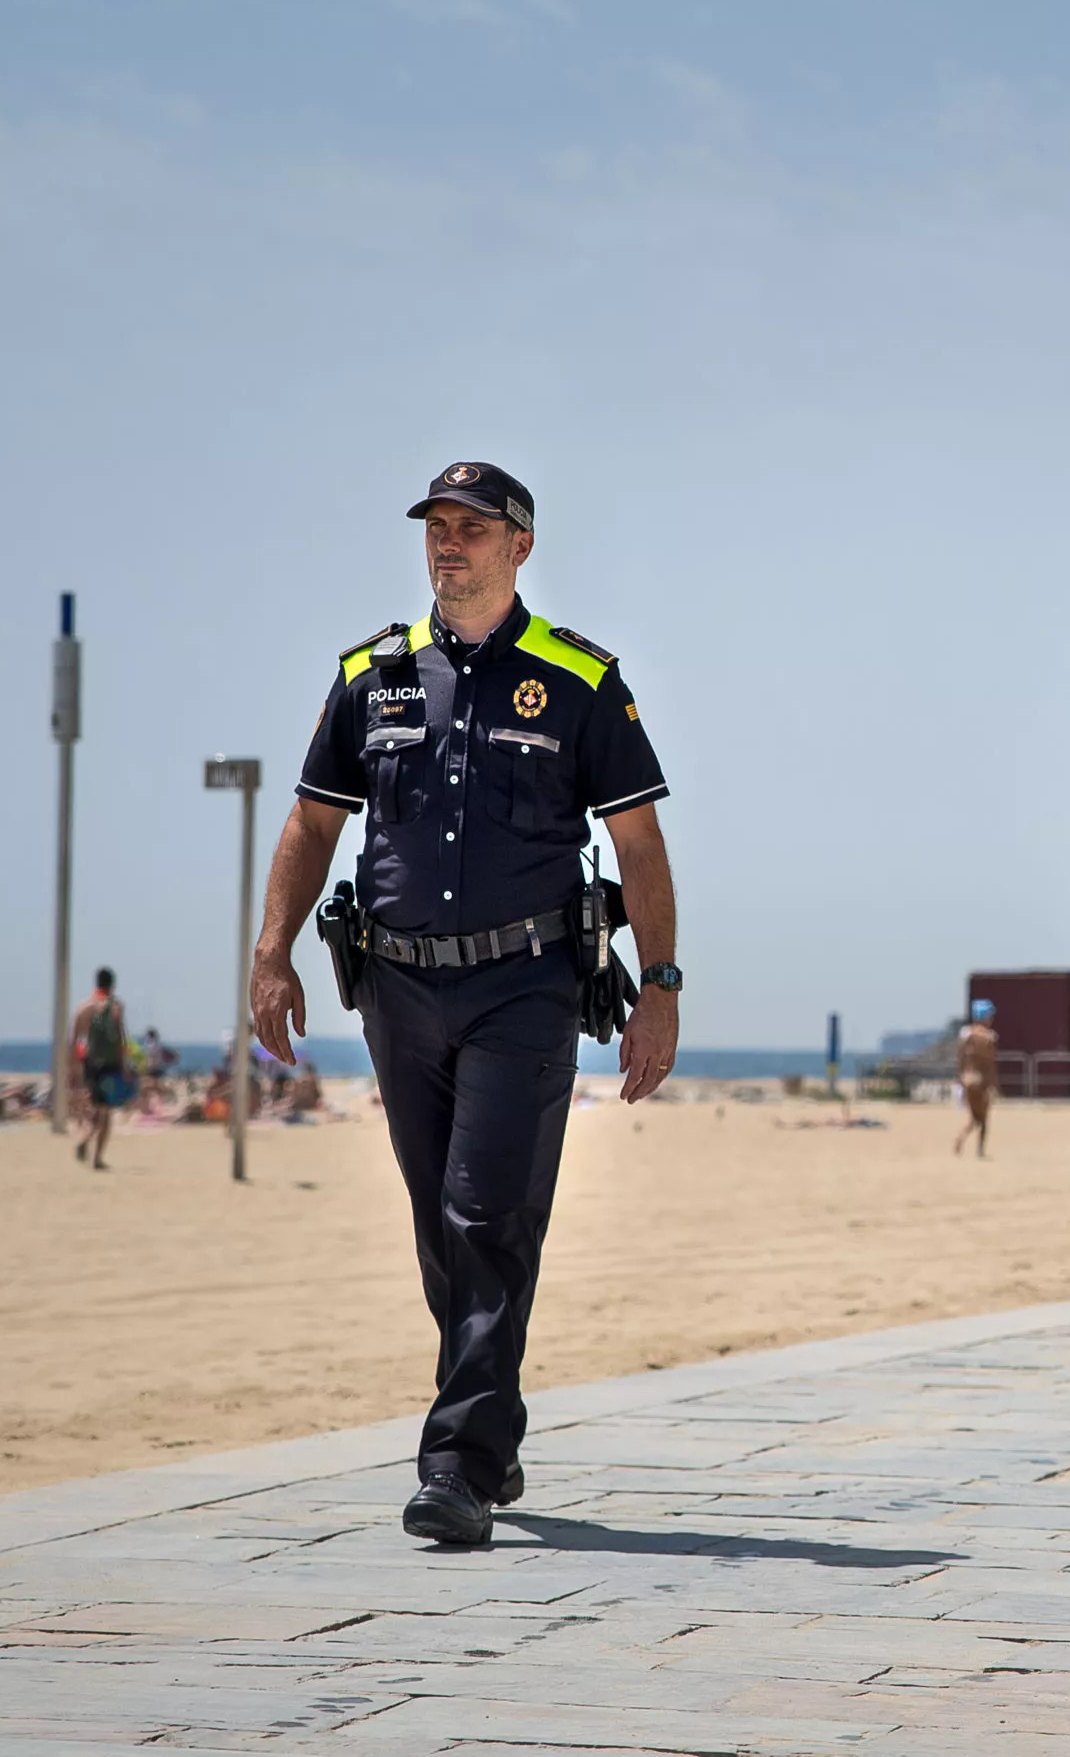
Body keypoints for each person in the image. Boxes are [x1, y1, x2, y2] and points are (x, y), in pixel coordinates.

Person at [251, 460, 680, 1550]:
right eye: (437, 527)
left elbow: (639, 842)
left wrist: (662, 991)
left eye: (473, 529)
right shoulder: (373, 674)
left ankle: (458, 1467)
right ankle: (490, 1419)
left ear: (519, 546)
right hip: (397, 992)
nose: (450, 545)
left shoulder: (580, 679)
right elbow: (312, 824)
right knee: (440, 1223)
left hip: (525, 989)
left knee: (488, 1215)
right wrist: (273, 951)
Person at [72, 970, 131, 1170]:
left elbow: (76, 1041)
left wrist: (74, 1069)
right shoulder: (115, 1006)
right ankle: (97, 1157)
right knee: (105, 1112)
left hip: (91, 1064)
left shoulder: (83, 1008)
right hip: (110, 1065)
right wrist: (124, 1066)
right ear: (112, 985)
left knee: (93, 1109)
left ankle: (84, 1138)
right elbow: (122, 1039)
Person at [952, 1000, 998, 1157]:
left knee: (974, 1116)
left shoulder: (966, 1034)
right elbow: (991, 1064)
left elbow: (959, 1059)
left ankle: (961, 1139)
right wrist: (994, 1084)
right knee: (983, 1119)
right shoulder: (989, 1037)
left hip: (967, 1079)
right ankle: (980, 1150)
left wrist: (959, 1078)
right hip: (981, 1080)